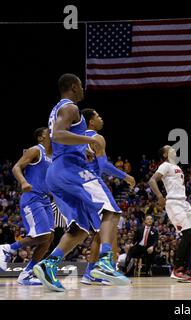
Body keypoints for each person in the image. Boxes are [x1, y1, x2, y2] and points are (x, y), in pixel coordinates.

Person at [33, 74, 130, 292]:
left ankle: (50, 264)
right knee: (111, 211)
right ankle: (105, 263)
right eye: (81, 85)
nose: (83, 88)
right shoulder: (71, 108)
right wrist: (89, 140)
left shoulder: (56, 109)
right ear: (74, 87)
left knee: (82, 227)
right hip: (71, 171)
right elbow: (57, 135)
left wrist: (79, 149)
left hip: (56, 172)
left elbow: (54, 141)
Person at [80, 108, 136, 284]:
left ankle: (89, 273)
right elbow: (103, 166)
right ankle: (108, 269)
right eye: (98, 116)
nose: (101, 119)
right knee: (112, 220)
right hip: (92, 182)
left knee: (100, 232)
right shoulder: (96, 137)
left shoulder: (76, 139)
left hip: (77, 185)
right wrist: (125, 176)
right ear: (91, 121)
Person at [0, 128, 54, 285]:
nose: (53, 132)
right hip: (32, 198)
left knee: (48, 239)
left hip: (45, 199)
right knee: (42, 235)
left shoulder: (53, 156)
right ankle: (7, 248)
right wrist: (23, 182)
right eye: (48, 131)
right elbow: (16, 167)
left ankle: (27, 274)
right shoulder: (36, 150)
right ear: (40, 137)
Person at [149, 145, 191, 283]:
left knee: (190, 237)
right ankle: (177, 270)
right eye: (169, 148)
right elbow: (152, 180)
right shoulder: (165, 165)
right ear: (165, 154)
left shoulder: (178, 167)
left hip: (184, 203)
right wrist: (159, 196)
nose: (173, 149)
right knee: (186, 234)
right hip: (174, 203)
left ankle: (184, 271)